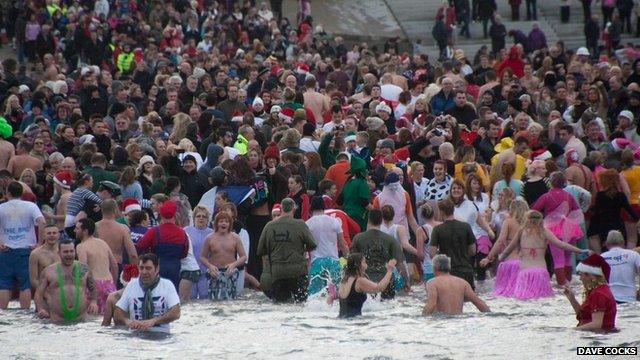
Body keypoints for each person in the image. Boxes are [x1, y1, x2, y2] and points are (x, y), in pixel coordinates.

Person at [499, 210, 588, 300]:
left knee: (523, 298)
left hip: (525, 272)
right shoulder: (544, 232)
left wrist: (501, 256)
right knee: (542, 298)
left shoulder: (521, 232)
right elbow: (560, 244)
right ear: (541, 220)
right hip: (541, 272)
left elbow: (509, 248)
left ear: (527, 220)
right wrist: (580, 250)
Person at [257, 198, 317, 303]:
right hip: (298, 272)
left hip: (277, 273)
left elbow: (260, 250)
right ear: (293, 209)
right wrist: (301, 249)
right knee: (300, 305)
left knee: (281, 306)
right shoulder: (300, 224)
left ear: (281, 209)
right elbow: (313, 245)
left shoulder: (269, 226)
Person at [0, 181, 45, 309]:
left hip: (5, 250)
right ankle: (24, 314)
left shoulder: (1, 207)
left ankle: (2, 314)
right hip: (26, 250)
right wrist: (39, 244)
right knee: (25, 285)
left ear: (8, 193)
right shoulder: (31, 206)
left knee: (3, 285)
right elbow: (42, 222)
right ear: (22, 193)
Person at [34, 239, 98, 322]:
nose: (69, 254)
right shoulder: (49, 271)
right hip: (57, 321)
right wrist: (40, 309)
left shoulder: (84, 269)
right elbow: (38, 294)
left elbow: (93, 288)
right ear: (59, 253)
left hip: (81, 322)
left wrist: (94, 302)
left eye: (71, 251)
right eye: (66, 252)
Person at [114, 253, 181, 333]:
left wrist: (154, 321)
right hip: (135, 335)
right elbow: (117, 314)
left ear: (157, 269)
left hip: (161, 335)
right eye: (141, 268)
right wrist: (127, 321)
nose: (144, 272)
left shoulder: (167, 285)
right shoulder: (131, 285)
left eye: (148, 268)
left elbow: (176, 313)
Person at [350, 209, 409, 299]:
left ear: (369, 220)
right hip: (386, 282)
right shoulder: (390, 240)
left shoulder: (358, 238)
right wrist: (406, 281)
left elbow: (351, 262)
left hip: (365, 283)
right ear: (381, 221)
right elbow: (400, 264)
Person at [136, 201, 189, 290]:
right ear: (175, 214)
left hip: (157, 267)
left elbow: (140, 246)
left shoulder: (154, 231)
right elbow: (184, 253)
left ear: (161, 214)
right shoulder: (182, 233)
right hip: (175, 268)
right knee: (172, 294)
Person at [429, 199, 477, 290]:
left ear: (441, 212)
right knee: (469, 300)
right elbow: (473, 250)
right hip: (466, 271)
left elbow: (432, 254)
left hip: (447, 273)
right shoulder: (466, 226)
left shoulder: (437, 230)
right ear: (453, 210)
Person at [199, 212, 247, 300]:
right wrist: (210, 266)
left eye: (226, 221)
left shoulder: (235, 237)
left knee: (231, 300)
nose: (224, 223)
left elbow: (243, 257)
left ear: (230, 224)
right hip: (215, 272)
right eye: (221, 221)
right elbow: (202, 257)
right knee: (214, 300)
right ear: (217, 223)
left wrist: (234, 265)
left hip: (230, 272)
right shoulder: (209, 238)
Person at [306, 197, 348, 295]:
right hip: (333, 262)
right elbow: (342, 244)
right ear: (323, 207)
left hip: (317, 263)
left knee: (315, 296)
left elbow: (305, 249)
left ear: (311, 208)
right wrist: (348, 261)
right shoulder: (334, 222)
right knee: (339, 294)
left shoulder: (307, 224)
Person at [564, 253, 617, 331]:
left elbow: (596, 324)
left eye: (581, 275)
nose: (580, 279)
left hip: (600, 337)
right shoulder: (599, 290)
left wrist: (571, 331)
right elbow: (583, 316)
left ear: (592, 276)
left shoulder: (598, 294)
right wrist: (572, 299)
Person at [75, 218, 118, 314]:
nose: (74, 231)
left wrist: (79, 290)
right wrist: (113, 284)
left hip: (93, 285)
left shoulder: (81, 246)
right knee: (108, 318)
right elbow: (114, 265)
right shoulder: (103, 243)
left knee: (91, 321)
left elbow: (83, 270)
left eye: (77, 228)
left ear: (85, 231)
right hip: (109, 284)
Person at [423, 254, 490, 315]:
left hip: (442, 323)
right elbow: (478, 302)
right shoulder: (462, 282)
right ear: (449, 267)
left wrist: (423, 319)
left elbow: (431, 304)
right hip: (459, 321)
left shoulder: (432, 283)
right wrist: (490, 315)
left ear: (435, 268)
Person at [337, 253, 396, 318]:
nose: (366, 264)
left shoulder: (345, 279)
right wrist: (390, 270)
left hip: (341, 319)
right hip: (354, 321)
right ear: (358, 265)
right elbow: (379, 288)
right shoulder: (359, 281)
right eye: (364, 262)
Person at [95, 199, 138, 286]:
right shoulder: (123, 229)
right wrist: (135, 274)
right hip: (117, 265)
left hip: (98, 266)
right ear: (115, 210)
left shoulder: (94, 227)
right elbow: (132, 254)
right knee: (115, 297)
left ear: (102, 210)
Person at [601, 231, 640, 303]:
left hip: (609, 299)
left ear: (606, 244)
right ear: (623, 242)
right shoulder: (634, 255)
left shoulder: (601, 257)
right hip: (630, 297)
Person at [28, 221, 61, 291]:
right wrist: (45, 294)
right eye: (49, 233)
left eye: (54, 233)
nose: (52, 235)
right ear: (43, 235)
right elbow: (33, 280)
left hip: (62, 293)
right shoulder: (35, 254)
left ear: (59, 235)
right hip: (44, 293)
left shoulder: (65, 252)